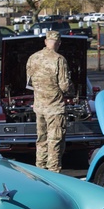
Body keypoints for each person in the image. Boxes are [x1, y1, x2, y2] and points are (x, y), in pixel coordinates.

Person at [26, 30, 71, 172]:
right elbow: (64, 86)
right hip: (55, 109)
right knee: (55, 142)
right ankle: (53, 174)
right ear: (59, 43)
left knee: (41, 140)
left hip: (39, 107)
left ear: (46, 41)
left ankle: (40, 170)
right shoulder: (59, 60)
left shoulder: (33, 58)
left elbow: (30, 82)